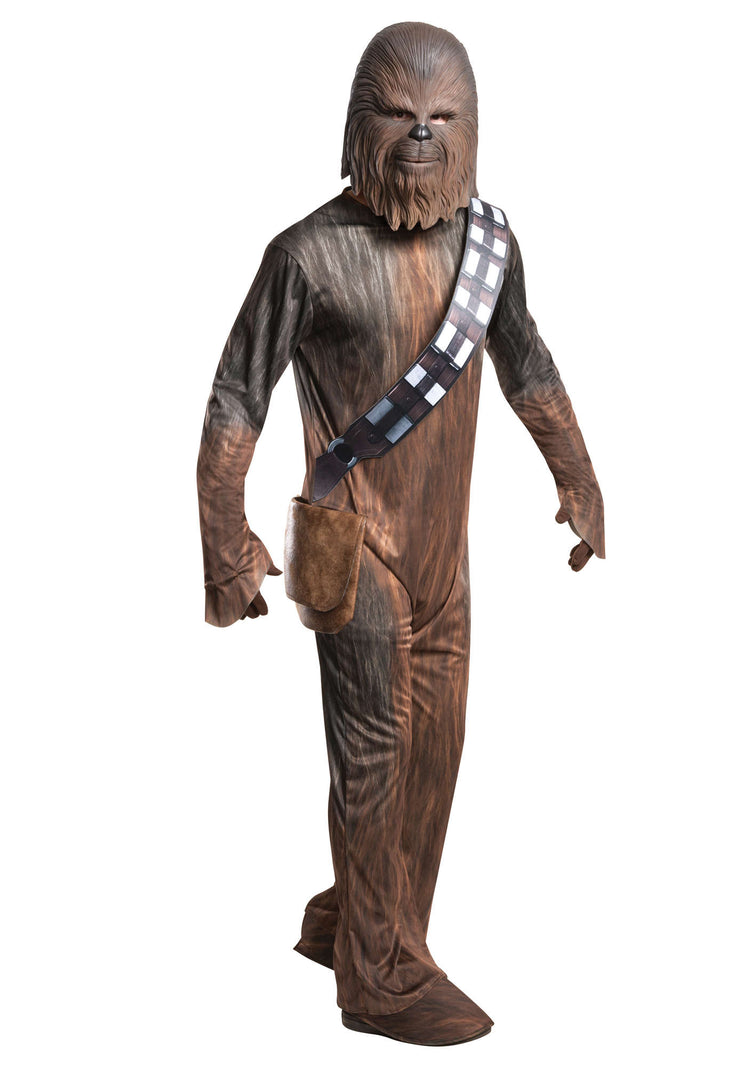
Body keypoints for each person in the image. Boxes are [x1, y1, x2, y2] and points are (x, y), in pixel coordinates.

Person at [197, 21, 605, 1046]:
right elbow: (236, 397)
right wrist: (224, 537)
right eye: (398, 112)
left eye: (442, 116)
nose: (421, 133)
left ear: (472, 130)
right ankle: (378, 974)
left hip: (444, 555)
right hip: (351, 548)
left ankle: (361, 918)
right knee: (375, 752)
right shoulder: (304, 255)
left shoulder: (490, 247)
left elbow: (528, 363)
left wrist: (578, 475)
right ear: (356, 123)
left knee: (434, 749)